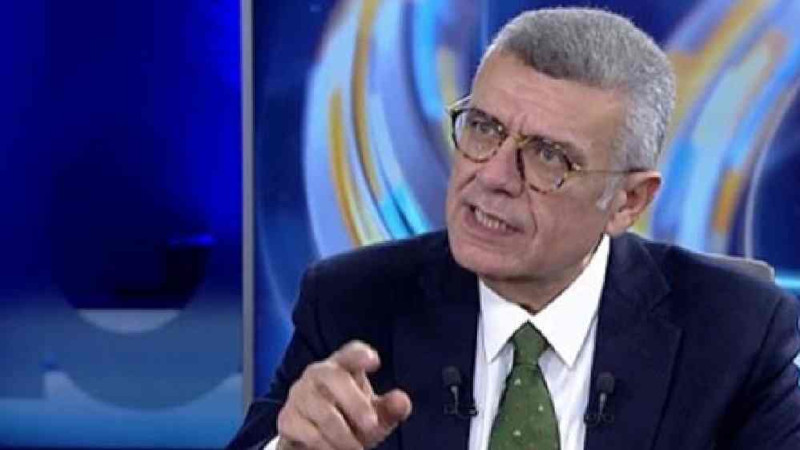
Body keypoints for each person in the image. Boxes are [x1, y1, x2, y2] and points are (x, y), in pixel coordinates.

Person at [228, 7, 800, 450]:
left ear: (628, 201)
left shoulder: (736, 332)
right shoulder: (352, 303)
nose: (494, 176)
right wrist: (291, 446)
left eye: (549, 156)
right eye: (483, 128)